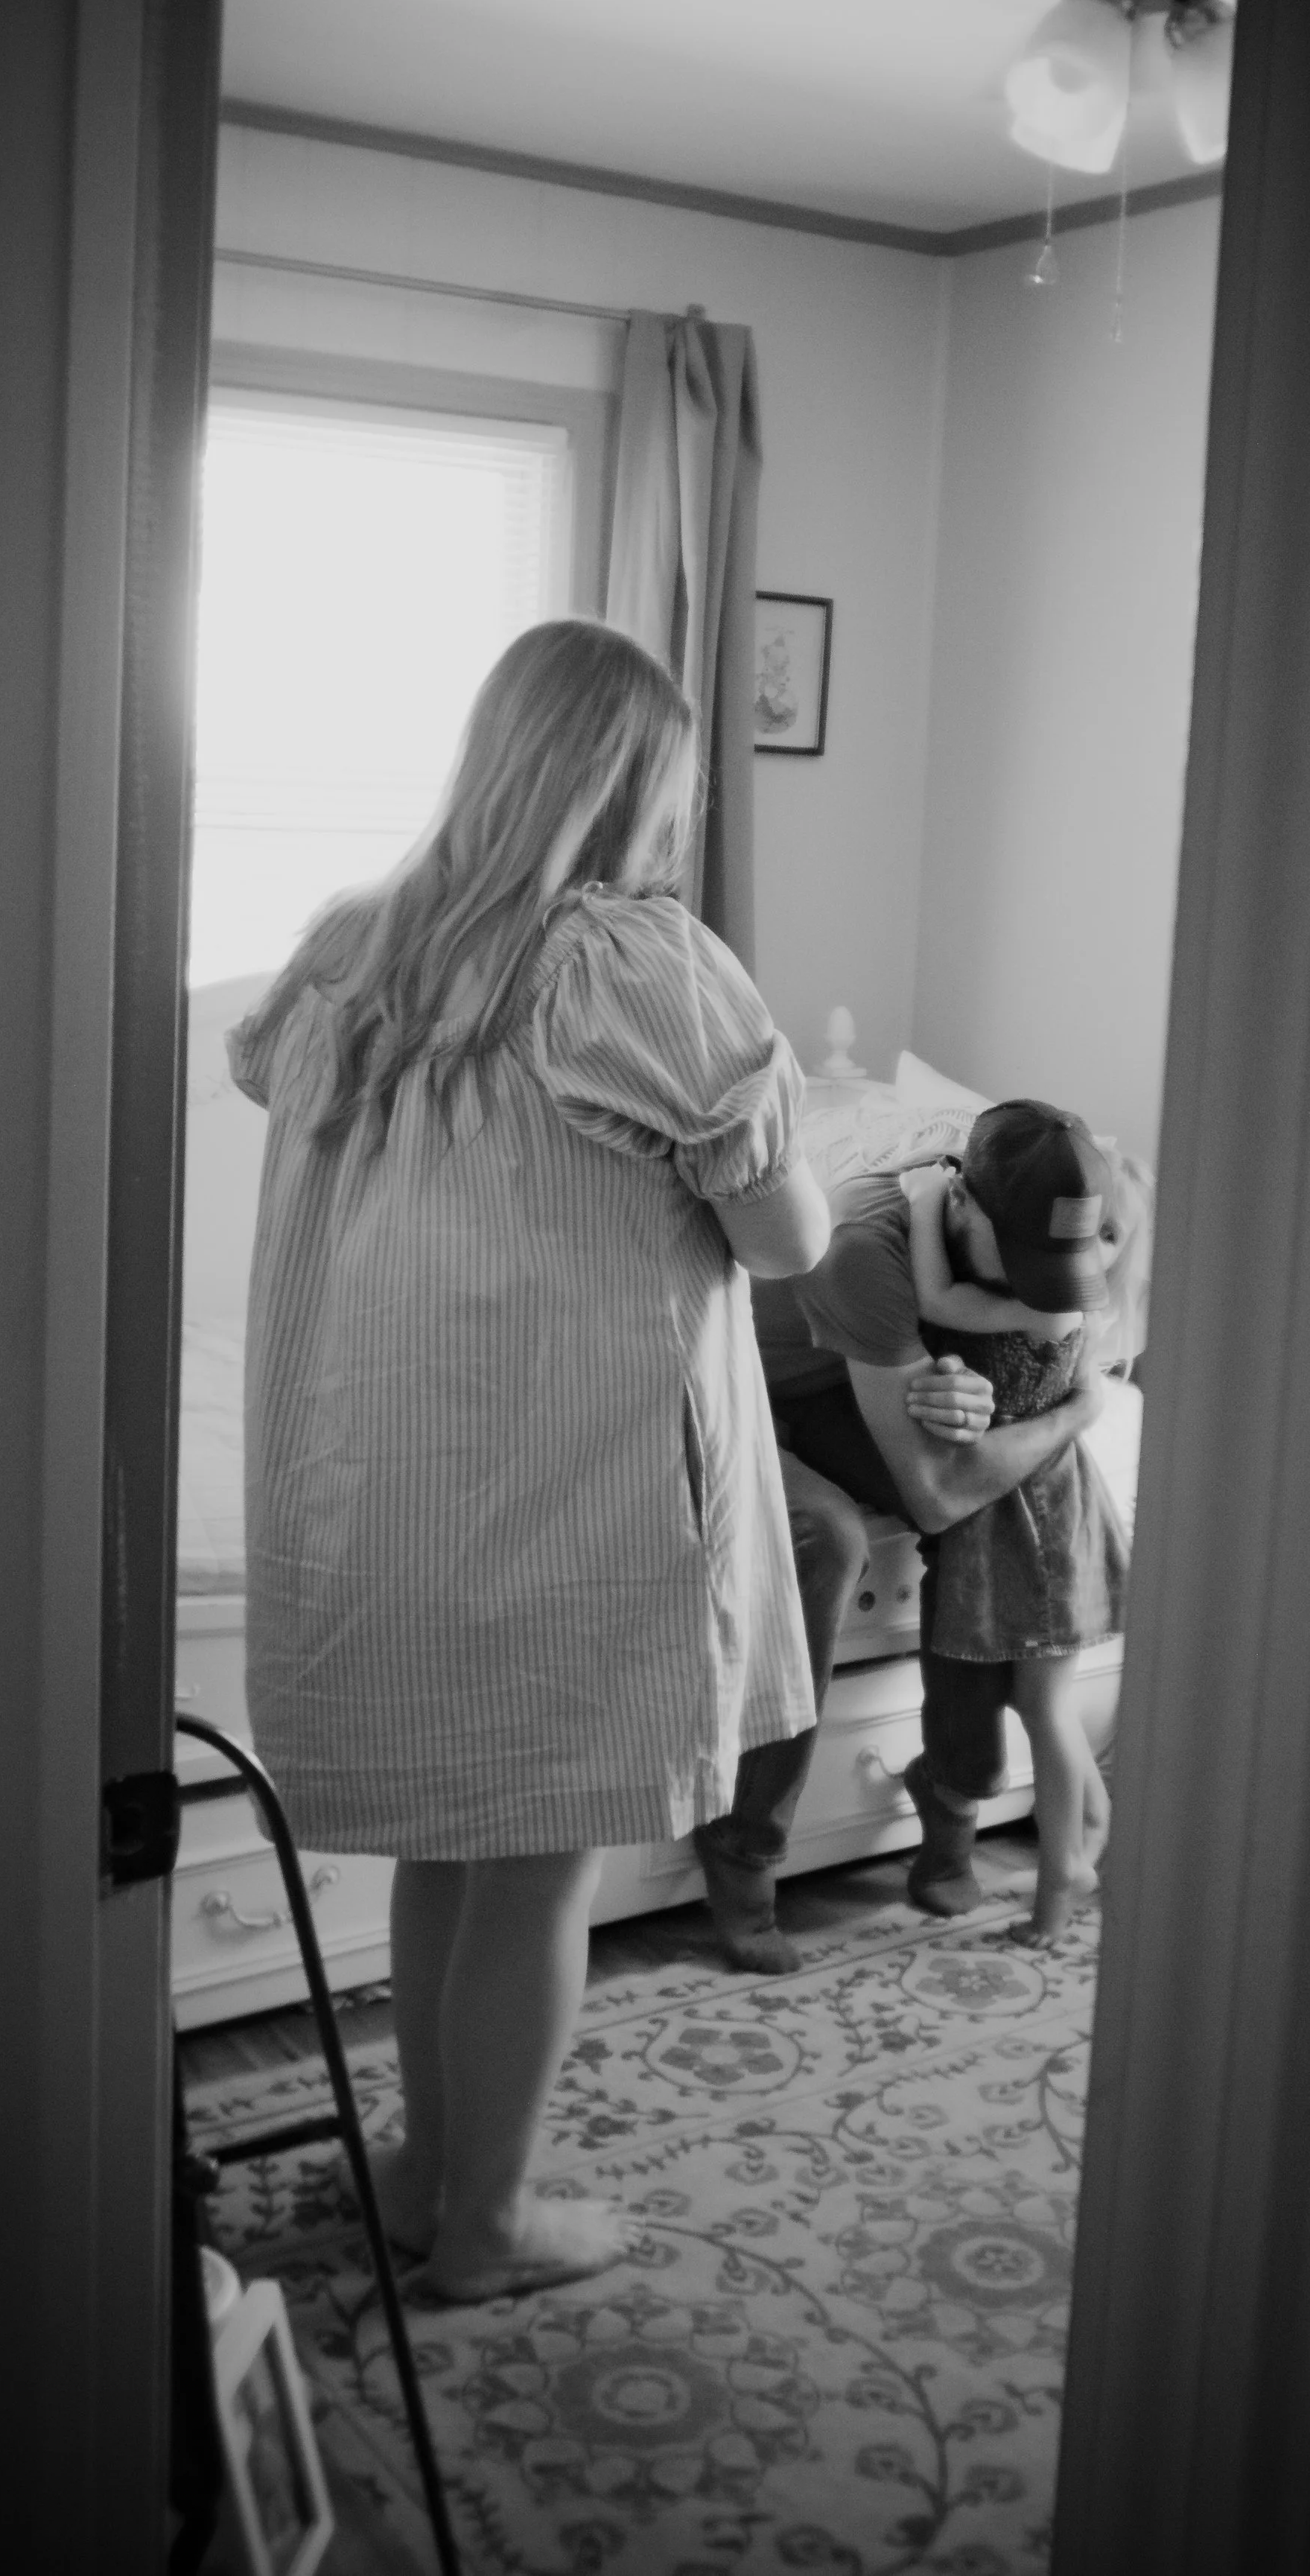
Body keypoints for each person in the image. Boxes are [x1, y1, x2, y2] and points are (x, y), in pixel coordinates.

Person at [228, 618, 830, 2300]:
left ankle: (427, 2164)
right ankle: (486, 2218)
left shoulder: (359, 946)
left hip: (391, 1488)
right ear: (636, 782)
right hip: (567, 1494)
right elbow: (782, 1238)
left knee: (451, 1842)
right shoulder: (632, 961)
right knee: (540, 1865)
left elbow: (267, 1083)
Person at [710, 1101, 1150, 1953]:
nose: (1031, 1288)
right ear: (959, 1203)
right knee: (830, 1539)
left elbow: (959, 1444)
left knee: (995, 1492)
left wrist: (963, 1393)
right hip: (755, 1397)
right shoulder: (861, 1252)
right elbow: (936, 1493)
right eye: (1018, 1259)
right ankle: (744, 1843)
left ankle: (953, 1793)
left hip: (858, 1376)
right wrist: (1081, 1408)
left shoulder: (1007, 1199)